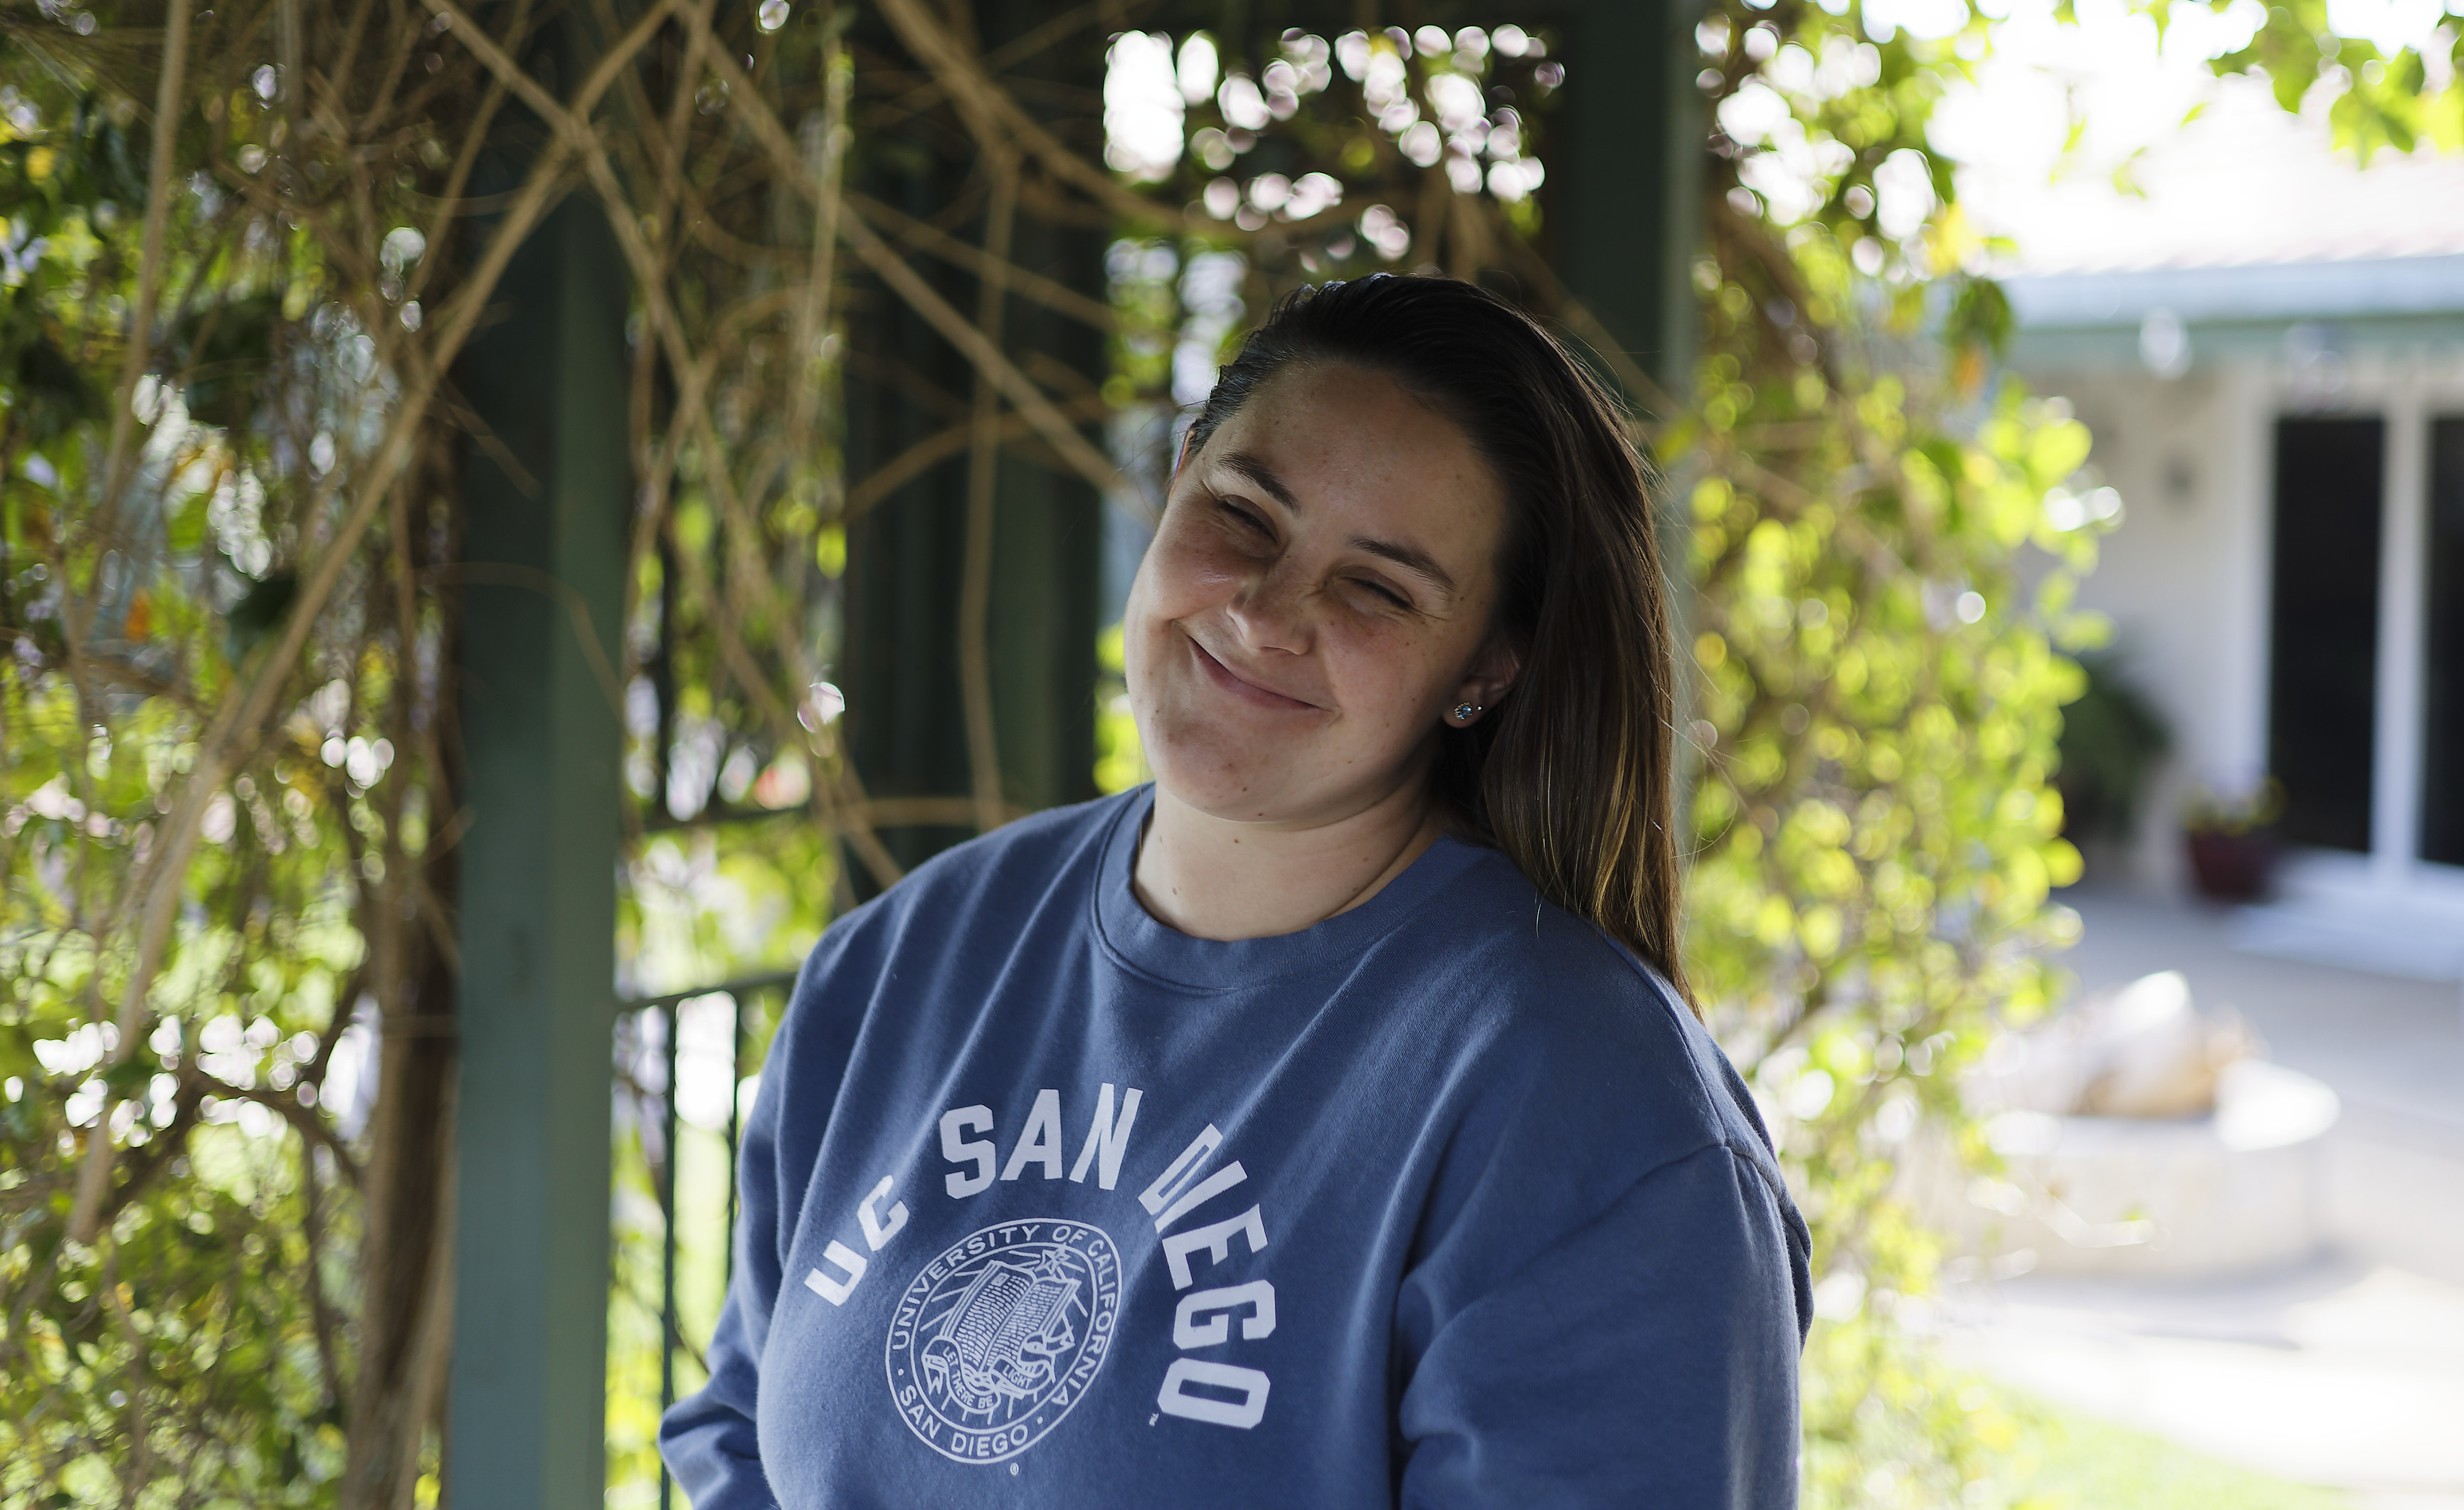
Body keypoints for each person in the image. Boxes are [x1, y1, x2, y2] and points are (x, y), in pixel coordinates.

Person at [661, 274, 1812, 1507]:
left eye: (1379, 587)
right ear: (1180, 476)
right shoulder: (903, 960)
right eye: (1246, 516)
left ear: (1485, 665)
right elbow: (742, 1437)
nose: (1267, 614)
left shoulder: (1593, 1117)